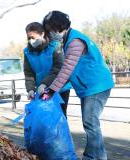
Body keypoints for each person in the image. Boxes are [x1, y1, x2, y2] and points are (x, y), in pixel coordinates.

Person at [42, 11, 114, 160]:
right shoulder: (69, 39)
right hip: (90, 86)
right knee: (90, 122)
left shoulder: (75, 41)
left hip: (97, 85)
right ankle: (97, 156)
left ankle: (93, 157)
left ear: (58, 26)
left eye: (50, 29)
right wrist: (53, 89)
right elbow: (70, 71)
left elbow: (66, 69)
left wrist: (51, 90)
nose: (50, 33)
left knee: (90, 122)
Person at [23, 22, 71, 117]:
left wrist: (44, 83)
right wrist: (30, 89)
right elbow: (29, 73)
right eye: (29, 38)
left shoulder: (55, 46)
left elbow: (58, 68)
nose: (31, 41)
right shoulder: (27, 52)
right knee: (44, 116)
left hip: (59, 88)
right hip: (42, 90)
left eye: (33, 37)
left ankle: (61, 132)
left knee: (60, 116)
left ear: (42, 34)